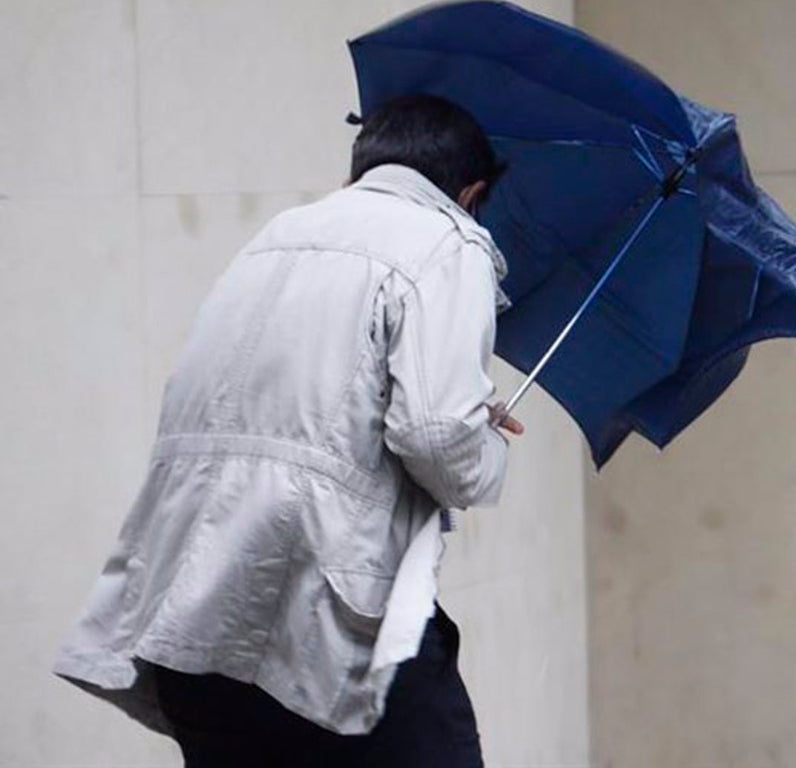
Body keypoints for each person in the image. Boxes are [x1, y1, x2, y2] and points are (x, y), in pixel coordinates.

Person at [51, 94, 524, 767]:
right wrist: (489, 447)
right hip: (332, 633)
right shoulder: (447, 242)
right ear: (471, 193)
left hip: (197, 610)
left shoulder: (273, 239)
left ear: (358, 171)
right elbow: (436, 437)